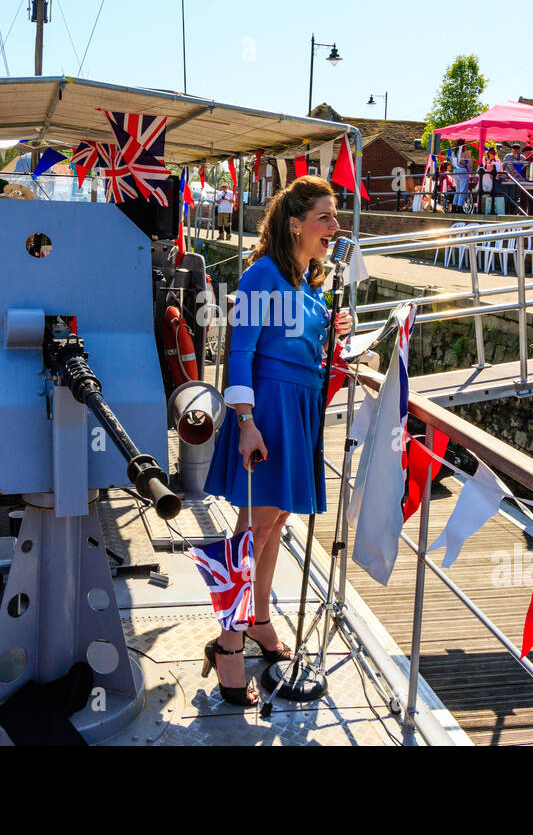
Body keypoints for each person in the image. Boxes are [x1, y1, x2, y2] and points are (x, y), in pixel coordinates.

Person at [202, 176, 351, 706]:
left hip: (301, 410)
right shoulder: (259, 275)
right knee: (254, 532)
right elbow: (239, 352)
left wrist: (337, 330)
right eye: (326, 217)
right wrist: (245, 420)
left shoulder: (309, 282)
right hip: (268, 410)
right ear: (296, 223)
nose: (336, 226)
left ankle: (260, 620)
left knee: (276, 521)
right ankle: (227, 643)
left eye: (335, 217)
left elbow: (306, 350)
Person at [449, 145, 470, 213]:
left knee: (458, 190)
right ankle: (460, 207)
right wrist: (469, 168)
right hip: (462, 170)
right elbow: (467, 163)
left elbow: (452, 163)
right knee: (463, 190)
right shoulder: (465, 152)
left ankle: (454, 207)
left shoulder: (453, 153)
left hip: (455, 171)